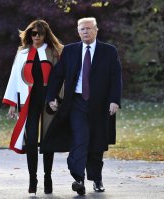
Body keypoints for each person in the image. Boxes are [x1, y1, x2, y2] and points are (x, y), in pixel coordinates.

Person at [44, 17, 122, 195]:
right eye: (82, 29)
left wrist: (114, 100)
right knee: (79, 139)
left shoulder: (108, 51)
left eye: (88, 28)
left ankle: (96, 178)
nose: (85, 32)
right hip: (77, 103)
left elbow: (116, 78)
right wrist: (51, 97)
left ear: (96, 30)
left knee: (96, 142)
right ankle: (78, 178)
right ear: (78, 31)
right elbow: (57, 76)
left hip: (100, 104)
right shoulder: (70, 51)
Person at [2, 19, 63, 194]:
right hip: (28, 100)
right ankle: (32, 179)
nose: (36, 36)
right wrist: (12, 103)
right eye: (33, 33)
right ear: (29, 34)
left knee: (47, 139)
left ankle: (48, 177)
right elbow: (14, 77)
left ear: (46, 35)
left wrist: (57, 98)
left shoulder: (54, 52)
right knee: (30, 141)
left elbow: (60, 77)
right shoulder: (22, 53)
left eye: (40, 33)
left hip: (49, 99)